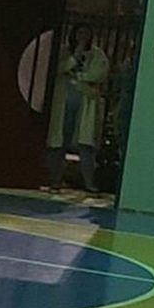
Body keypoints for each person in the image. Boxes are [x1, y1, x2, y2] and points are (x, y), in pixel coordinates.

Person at [48, 25, 111, 192]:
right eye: (80, 33)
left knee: (86, 145)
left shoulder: (97, 55)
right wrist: (74, 58)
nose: (83, 36)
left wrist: (79, 76)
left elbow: (98, 74)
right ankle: (55, 179)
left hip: (85, 103)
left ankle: (89, 183)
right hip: (63, 103)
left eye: (86, 33)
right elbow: (58, 68)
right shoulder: (63, 52)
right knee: (58, 143)